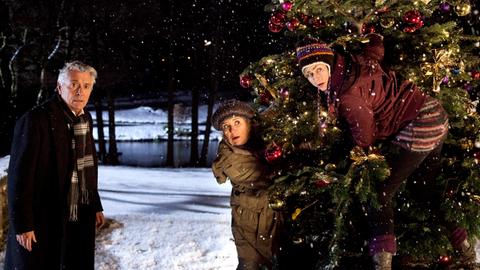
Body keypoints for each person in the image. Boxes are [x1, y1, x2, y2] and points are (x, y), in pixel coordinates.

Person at [296, 35, 479, 269]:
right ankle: (465, 251)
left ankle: (383, 262)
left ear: (330, 64)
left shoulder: (348, 96)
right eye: (309, 74)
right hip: (433, 112)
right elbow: (375, 51)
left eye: (319, 69)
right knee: (425, 189)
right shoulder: (356, 62)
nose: (315, 78)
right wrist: (373, 38)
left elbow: (366, 134)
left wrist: (360, 152)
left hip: (419, 123)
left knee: (378, 193)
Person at [5, 61, 105, 270]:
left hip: (78, 214)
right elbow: (19, 176)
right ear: (60, 87)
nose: (81, 91)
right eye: (74, 84)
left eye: (86, 86)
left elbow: (87, 166)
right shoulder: (36, 120)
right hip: (43, 217)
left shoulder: (84, 118)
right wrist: (23, 224)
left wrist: (94, 204)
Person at [211, 100, 283, 270]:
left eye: (237, 122)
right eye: (226, 126)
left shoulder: (262, 144)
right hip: (251, 226)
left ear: (249, 124)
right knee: (251, 265)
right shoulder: (229, 160)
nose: (232, 130)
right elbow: (264, 176)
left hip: (273, 220)